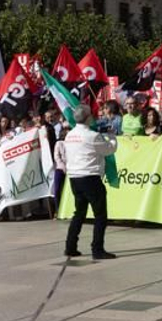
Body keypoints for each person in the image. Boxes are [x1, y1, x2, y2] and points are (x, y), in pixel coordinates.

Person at [63, 104, 117, 260]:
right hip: (90, 177)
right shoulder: (92, 136)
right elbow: (109, 150)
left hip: (74, 177)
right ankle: (97, 249)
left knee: (79, 213)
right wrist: (111, 136)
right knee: (100, 215)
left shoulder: (69, 135)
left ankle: (70, 246)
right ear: (88, 118)